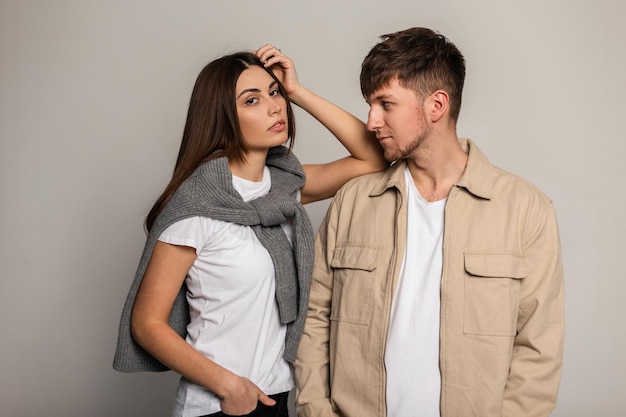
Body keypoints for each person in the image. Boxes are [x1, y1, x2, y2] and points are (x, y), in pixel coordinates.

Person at [294, 27, 565, 417]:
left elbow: (538, 350)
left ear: (436, 105)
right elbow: (315, 321)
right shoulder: (353, 201)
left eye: (386, 104)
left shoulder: (526, 210)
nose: (371, 121)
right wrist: (316, 411)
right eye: (370, 104)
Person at [113, 45, 387, 417]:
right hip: (218, 403)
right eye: (252, 100)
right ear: (223, 115)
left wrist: (298, 93)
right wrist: (228, 385)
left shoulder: (282, 190)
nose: (275, 107)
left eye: (274, 93)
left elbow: (372, 158)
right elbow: (147, 323)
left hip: (278, 394)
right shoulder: (197, 206)